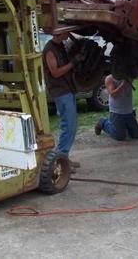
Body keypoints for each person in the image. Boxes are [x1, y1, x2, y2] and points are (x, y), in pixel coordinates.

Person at [43, 29, 85, 171]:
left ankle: (64, 158)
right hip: (59, 90)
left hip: (67, 88)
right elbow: (55, 73)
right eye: (67, 32)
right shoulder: (49, 49)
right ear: (60, 33)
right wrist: (73, 63)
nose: (69, 35)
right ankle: (60, 162)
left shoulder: (60, 45)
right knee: (68, 125)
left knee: (71, 125)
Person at [94, 74, 138, 140]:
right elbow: (113, 94)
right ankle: (103, 122)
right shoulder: (109, 78)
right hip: (117, 112)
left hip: (128, 111)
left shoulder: (129, 75)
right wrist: (123, 84)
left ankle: (122, 126)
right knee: (119, 136)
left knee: (136, 135)